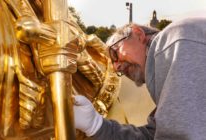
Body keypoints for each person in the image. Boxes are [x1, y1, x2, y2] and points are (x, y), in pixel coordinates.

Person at [73, 17, 206, 140]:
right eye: (113, 64)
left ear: (138, 34)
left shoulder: (177, 39)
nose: (116, 67)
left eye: (115, 53)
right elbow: (154, 136)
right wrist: (95, 125)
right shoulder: (166, 80)